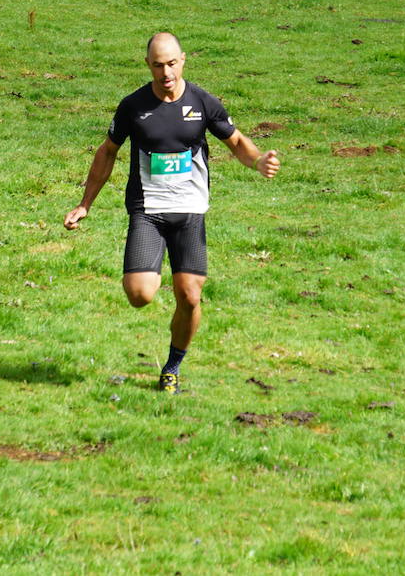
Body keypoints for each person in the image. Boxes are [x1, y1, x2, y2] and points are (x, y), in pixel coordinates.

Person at [63, 33, 281, 394]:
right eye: (158, 65)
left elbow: (237, 141)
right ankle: (154, 270)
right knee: (140, 295)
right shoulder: (133, 106)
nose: (166, 71)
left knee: (191, 296)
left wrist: (257, 160)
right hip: (148, 211)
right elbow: (107, 152)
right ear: (148, 65)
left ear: (183, 60)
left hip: (190, 213)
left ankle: (172, 367)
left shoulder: (202, 102)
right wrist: (85, 203)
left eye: (172, 63)